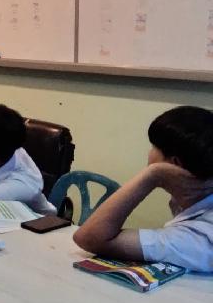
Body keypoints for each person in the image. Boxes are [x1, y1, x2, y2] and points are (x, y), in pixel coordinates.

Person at [74, 106, 213, 272]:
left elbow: (89, 237)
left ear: (175, 164)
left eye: (154, 147)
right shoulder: (195, 201)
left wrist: (153, 175)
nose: (149, 152)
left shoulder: (196, 238)